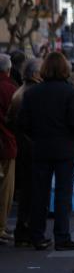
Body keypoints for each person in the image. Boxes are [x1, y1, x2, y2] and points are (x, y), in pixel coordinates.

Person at [18, 52, 74, 251]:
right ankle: (61, 236)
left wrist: (37, 136)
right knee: (62, 193)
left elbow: (23, 122)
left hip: (40, 147)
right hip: (65, 148)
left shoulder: (32, 93)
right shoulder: (71, 93)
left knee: (39, 193)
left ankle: (37, 235)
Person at [7, 58, 42, 247]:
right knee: (33, 192)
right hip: (32, 147)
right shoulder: (33, 93)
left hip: (21, 145)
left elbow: (10, 119)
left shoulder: (19, 91)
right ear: (36, 74)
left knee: (26, 192)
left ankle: (23, 229)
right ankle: (27, 230)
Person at [0, 54, 18, 244]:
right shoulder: (9, 88)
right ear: (8, 69)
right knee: (5, 189)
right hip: (5, 145)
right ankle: (0, 226)